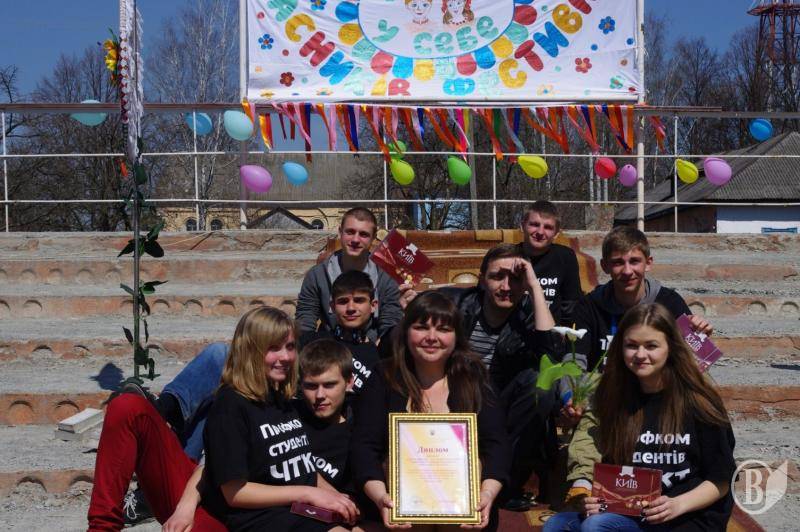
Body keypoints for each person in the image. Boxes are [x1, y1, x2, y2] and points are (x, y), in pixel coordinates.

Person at [543, 304, 736, 531]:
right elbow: (611, 474)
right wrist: (595, 499)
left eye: (651, 346)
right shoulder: (615, 398)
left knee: (597, 526)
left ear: (671, 347)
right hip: (634, 512)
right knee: (557, 525)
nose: (640, 354)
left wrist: (678, 504)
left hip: (685, 515)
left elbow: (722, 480)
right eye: (632, 345)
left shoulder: (699, 402)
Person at [561, 226, 713, 504]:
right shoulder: (589, 306)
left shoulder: (669, 301)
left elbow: (700, 360)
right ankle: (582, 481)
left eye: (634, 261)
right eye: (618, 262)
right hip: (609, 393)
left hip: (657, 388)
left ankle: (703, 473)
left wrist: (700, 336)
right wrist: (571, 396)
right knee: (591, 392)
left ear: (648, 263)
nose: (627, 270)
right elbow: (574, 360)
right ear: (605, 266)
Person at [351, 291, 510, 530]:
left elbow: (497, 444)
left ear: (457, 336)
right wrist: (381, 497)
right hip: (400, 507)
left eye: (443, 329)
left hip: (463, 510)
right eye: (421, 327)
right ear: (406, 332)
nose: (432, 337)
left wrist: (486, 494)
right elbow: (364, 446)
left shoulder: (475, 377)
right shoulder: (384, 377)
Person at [200, 306, 359, 531]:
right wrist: (308, 494)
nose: (285, 357)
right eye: (273, 348)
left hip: (301, 509)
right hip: (262, 517)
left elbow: (303, 468)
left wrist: (339, 500)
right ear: (250, 350)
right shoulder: (231, 404)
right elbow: (234, 492)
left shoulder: (280, 398)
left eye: (290, 346)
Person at [296, 207, 402, 341]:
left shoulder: (386, 277)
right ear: (340, 232)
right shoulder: (317, 275)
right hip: (329, 345)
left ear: (373, 237)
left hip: (371, 346)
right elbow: (305, 322)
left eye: (363, 234)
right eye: (350, 232)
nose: (355, 239)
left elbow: (389, 325)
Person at [299, 271, 383, 394]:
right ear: (332, 306)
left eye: (359, 300)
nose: (351, 308)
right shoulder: (309, 343)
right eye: (343, 301)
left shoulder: (379, 358)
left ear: (373, 306)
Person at [295, 338, 358, 493]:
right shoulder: (286, 418)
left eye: (329, 385)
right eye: (311, 386)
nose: (320, 395)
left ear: (349, 382)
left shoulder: (360, 433)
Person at [517, 201, 582, 326]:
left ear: (556, 233)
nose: (540, 232)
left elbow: (571, 306)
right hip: (512, 333)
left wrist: (564, 333)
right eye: (534, 224)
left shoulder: (565, 257)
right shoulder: (508, 256)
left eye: (548, 227)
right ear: (522, 226)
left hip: (551, 331)